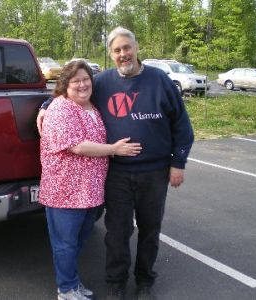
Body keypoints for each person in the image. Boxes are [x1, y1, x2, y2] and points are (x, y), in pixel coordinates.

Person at [37, 27, 194, 300]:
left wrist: (177, 163)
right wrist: (45, 105)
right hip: (117, 173)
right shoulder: (104, 82)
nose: (123, 54)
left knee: (149, 230)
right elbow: (72, 90)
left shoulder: (160, 80)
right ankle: (116, 283)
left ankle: (144, 281)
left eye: (127, 48)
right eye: (117, 50)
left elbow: (182, 126)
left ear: (136, 47)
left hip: (154, 173)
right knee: (117, 232)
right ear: (110, 54)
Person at [39, 60, 141, 300]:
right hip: (64, 191)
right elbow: (77, 146)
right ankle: (65, 290)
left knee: (76, 242)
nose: (82, 85)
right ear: (65, 84)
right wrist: (114, 149)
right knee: (65, 245)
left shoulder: (91, 108)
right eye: (76, 81)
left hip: (89, 191)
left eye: (86, 79)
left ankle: (72, 283)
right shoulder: (61, 109)